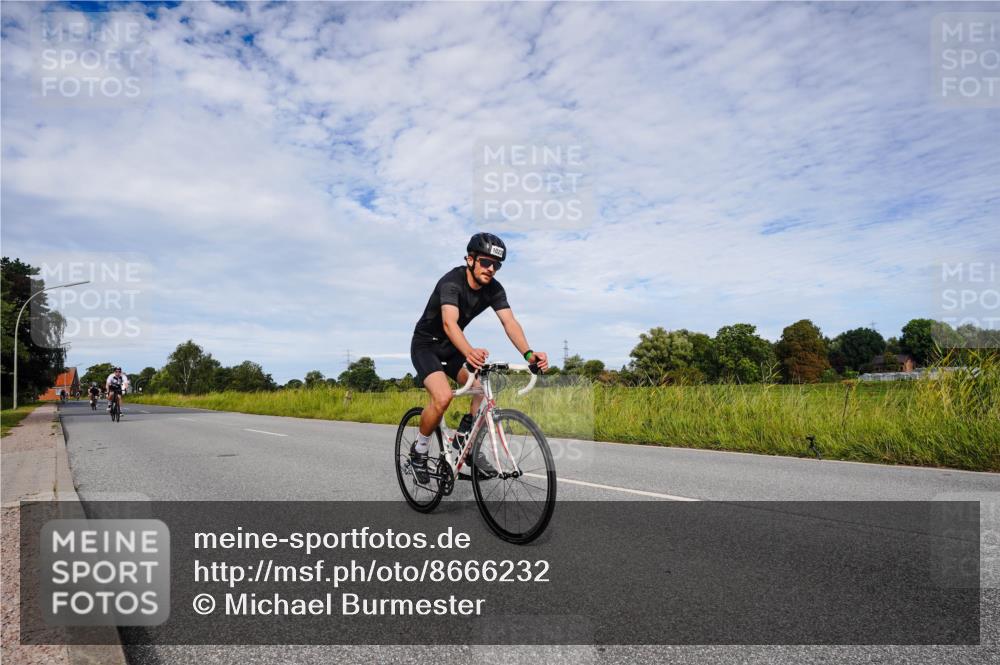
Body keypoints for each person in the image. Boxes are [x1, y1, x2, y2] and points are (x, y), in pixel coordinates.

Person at [408, 233, 548, 482]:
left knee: (479, 390)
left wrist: (529, 353)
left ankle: (467, 446)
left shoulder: (493, 289)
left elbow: (509, 322)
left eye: (497, 265)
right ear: (470, 260)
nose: (491, 269)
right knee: (442, 398)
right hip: (425, 346)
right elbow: (449, 323)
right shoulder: (452, 282)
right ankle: (418, 451)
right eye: (485, 262)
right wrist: (470, 351)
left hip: (451, 348)